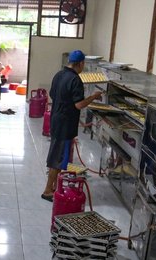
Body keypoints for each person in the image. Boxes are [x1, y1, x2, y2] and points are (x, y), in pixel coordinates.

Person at [41, 50, 102, 202]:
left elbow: (53, 95)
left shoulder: (58, 75)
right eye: (83, 64)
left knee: (58, 155)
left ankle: (54, 186)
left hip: (56, 120)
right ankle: (48, 191)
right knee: (58, 157)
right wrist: (93, 97)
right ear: (80, 63)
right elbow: (79, 104)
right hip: (65, 124)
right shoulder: (75, 80)